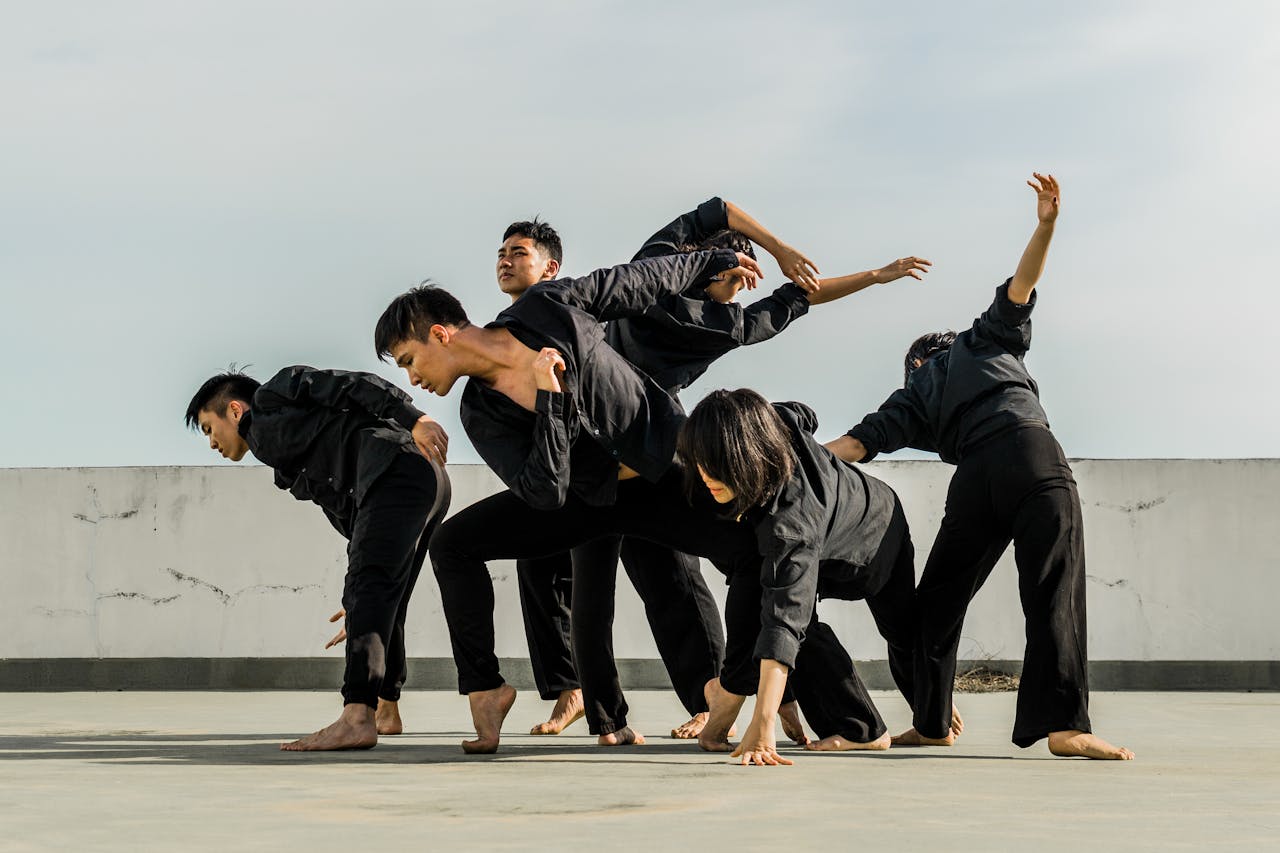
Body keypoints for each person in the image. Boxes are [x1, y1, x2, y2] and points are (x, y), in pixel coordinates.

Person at [505, 201, 932, 742]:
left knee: (607, 588)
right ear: (721, 269)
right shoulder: (721, 324)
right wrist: (869, 274)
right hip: (650, 459)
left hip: (597, 454)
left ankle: (616, 719)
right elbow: (800, 294)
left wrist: (781, 251)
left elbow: (719, 210)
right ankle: (741, 698)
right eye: (737, 280)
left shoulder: (656, 263)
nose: (741, 291)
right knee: (722, 573)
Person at [377, 249, 772, 753]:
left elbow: (636, 280)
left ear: (440, 333)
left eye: (409, 360)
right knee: (454, 544)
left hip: (659, 474)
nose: (412, 379)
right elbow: (544, 491)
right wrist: (553, 401)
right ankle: (486, 690)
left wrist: (711, 261)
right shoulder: (480, 412)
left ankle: (733, 687)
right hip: (582, 499)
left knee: (752, 550)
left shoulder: (547, 308)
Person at [825, 173, 1134, 760]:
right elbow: (1022, 286)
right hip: (1030, 454)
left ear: (914, 362)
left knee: (937, 602)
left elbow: (852, 446)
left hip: (975, 482)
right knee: (1052, 591)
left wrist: (770, 453)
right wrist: (1045, 225)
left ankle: (933, 721)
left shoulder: (912, 397)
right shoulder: (981, 341)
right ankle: (1065, 726)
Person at [184, 366, 451, 750]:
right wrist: (355, 596)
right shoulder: (286, 458)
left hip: (399, 466)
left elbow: (353, 385)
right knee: (383, 598)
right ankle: (385, 710)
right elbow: (354, 522)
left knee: (371, 591)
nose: (211, 443)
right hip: (419, 481)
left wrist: (416, 419)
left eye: (209, 429)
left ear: (235, 410)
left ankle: (357, 716)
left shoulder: (273, 395)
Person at [677, 389, 927, 765]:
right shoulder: (768, 428)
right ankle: (725, 711)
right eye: (701, 463)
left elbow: (783, 620)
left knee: (890, 630)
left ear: (747, 456)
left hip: (876, 537)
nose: (707, 476)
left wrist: (762, 729)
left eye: (719, 465)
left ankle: (866, 731)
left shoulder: (790, 520)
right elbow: (801, 413)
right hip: (833, 522)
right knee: (755, 595)